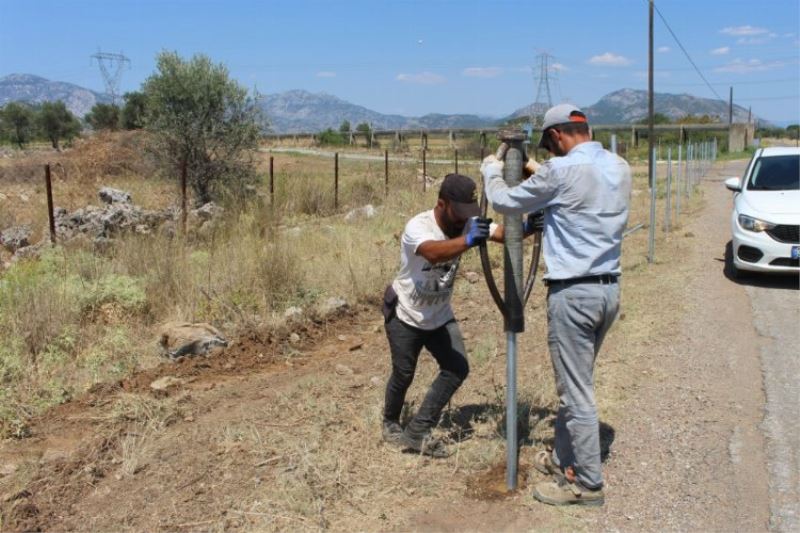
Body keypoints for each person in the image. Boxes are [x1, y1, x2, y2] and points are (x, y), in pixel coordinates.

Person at [481, 104, 631, 506]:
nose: (551, 154)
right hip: (607, 291)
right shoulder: (619, 166)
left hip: (574, 295)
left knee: (575, 393)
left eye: (551, 147)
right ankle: (565, 458)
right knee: (576, 382)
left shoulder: (560, 172)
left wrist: (491, 170)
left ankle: (587, 484)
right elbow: (570, 188)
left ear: (559, 136)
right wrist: (536, 167)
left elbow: (506, 202)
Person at [381, 173, 539, 458]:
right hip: (406, 313)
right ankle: (390, 421)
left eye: (469, 212)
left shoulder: (467, 223)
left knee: (457, 368)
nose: (464, 218)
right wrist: (467, 240)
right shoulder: (418, 226)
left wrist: (529, 226)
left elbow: (501, 234)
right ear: (442, 203)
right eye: (459, 211)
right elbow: (432, 253)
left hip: (439, 315)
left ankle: (417, 431)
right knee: (404, 373)